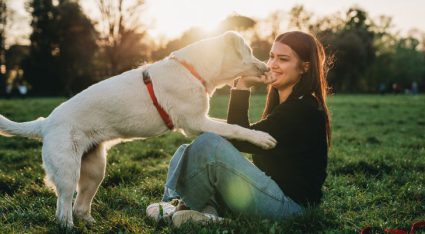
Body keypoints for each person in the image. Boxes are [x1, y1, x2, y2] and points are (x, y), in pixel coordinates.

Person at [146, 31, 331, 227]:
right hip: (270, 194)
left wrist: (242, 87)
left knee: (209, 144)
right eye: (271, 56)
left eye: (283, 59)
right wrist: (199, 122)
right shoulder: (288, 106)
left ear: (305, 67)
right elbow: (240, 133)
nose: (272, 64)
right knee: (185, 149)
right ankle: (202, 213)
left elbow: (239, 138)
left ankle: (181, 208)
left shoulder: (303, 109)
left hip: (291, 209)